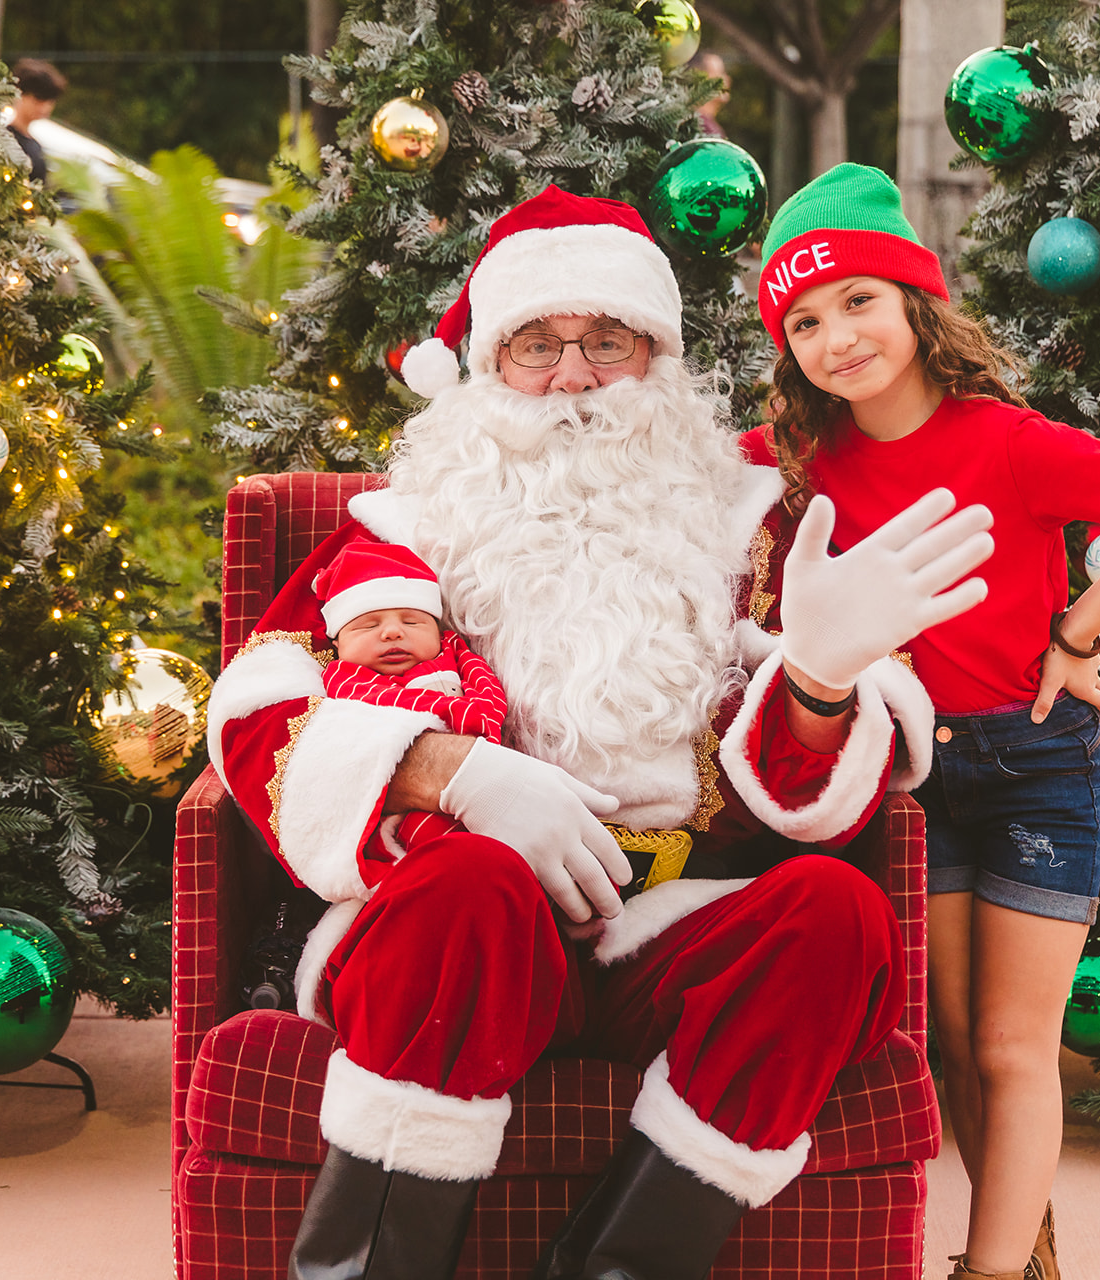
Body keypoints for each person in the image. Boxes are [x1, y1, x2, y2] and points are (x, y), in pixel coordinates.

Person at [209, 184, 996, 1280]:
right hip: (453, 920)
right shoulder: (399, 526)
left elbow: (826, 788)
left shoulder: (752, 524)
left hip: (663, 919)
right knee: (470, 889)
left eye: (606, 341)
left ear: (657, 358)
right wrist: (454, 772)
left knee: (837, 913)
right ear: (490, 368)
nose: (573, 376)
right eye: (537, 344)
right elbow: (258, 703)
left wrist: (817, 678)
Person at [746, 163, 1100, 1280]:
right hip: (911, 769)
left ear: (915, 301)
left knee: (1015, 1041)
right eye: (805, 320)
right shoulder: (808, 460)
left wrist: (1077, 631)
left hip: (1032, 761)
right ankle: (1023, 1227)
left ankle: (991, 1267)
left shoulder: (1005, 438)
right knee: (953, 1040)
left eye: (858, 301)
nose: (837, 336)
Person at [315, 540, 508, 865]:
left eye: (412, 622)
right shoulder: (344, 676)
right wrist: (461, 718)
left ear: (438, 630)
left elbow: (488, 690)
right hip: (407, 804)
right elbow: (386, 707)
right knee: (444, 850)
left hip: (489, 774)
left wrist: (484, 720)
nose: (392, 632)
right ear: (337, 643)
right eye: (368, 624)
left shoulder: (454, 652)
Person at [7, 58, 67, 184]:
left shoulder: (35, 144)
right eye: (39, 99)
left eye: (50, 101)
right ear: (20, 94)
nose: (45, 107)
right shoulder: (4, 139)